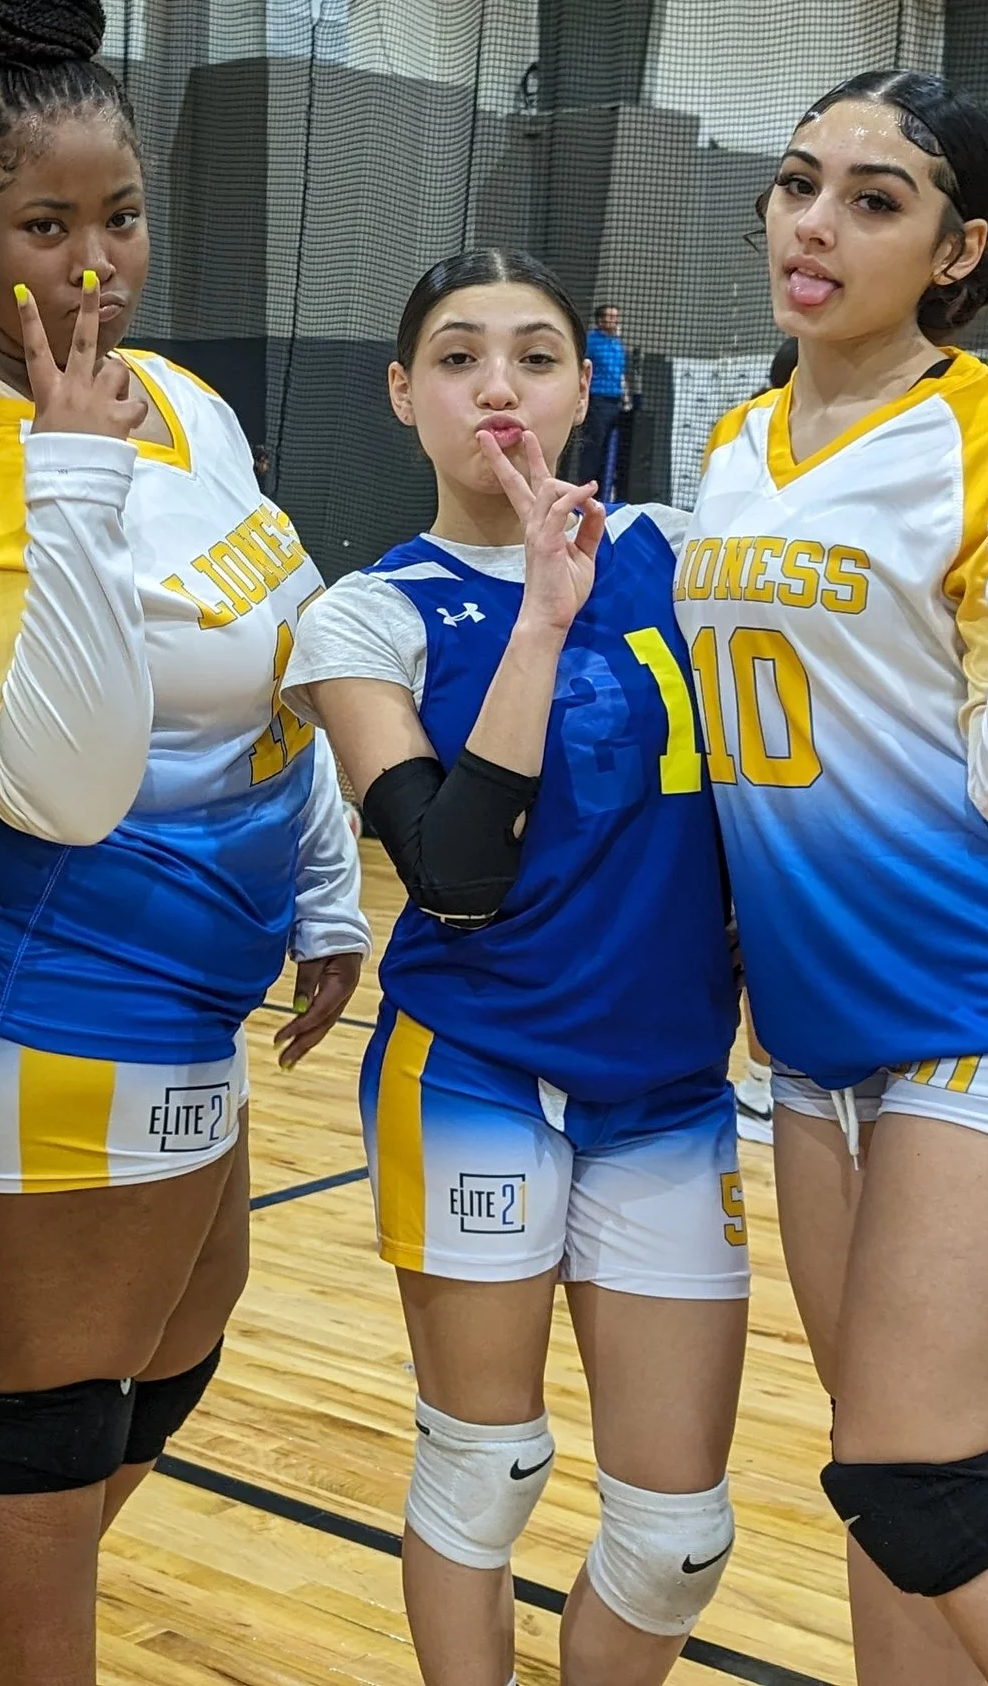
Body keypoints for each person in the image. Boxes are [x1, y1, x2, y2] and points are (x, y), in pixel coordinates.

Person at [0, 0, 368, 1686]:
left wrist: (321, 891)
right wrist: (67, 476)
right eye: (42, 228)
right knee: (47, 1405)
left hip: (196, 968)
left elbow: (283, 652)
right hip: (49, 977)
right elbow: (59, 782)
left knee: (189, 1331)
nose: (90, 267)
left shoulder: (200, 408)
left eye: (121, 219)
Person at [688, 68, 988, 1686]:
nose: (815, 221)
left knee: (921, 1470)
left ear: (959, 249)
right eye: (797, 179)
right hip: (829, 1038)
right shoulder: (740, 440)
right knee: (877, 1485)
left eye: (874, 197)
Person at [286, 250, 746, 1686]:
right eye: (459, 357)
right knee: (487, 1470)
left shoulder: (684, 549)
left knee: (679, 1537)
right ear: (403, 395)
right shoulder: (369, 614)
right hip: (475, 1067)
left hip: (669, 1087)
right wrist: (543, 617)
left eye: (537, 356)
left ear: (586, 384)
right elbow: (460, 876)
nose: (500, 387)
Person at [571, 302, 636, 491]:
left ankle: (602, 491)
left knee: (611, 449)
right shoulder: (591, 341)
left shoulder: (616, 343)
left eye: (616, 317)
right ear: (600, 320)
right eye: (610, 317)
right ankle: (585, 489)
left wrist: (626, 396)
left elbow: (620, 373)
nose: (614, 321)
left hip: (615, 401)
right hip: (597, 399)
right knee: (594, 447)